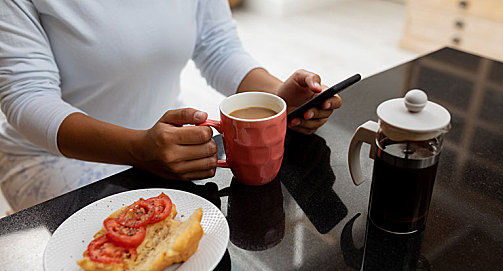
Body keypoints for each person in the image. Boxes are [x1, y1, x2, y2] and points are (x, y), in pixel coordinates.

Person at [0, 0, 342, 212]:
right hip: (54, 155)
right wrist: (137, 149)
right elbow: (27, 95)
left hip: (164, 141)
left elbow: (216, 46)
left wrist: (277, 98)